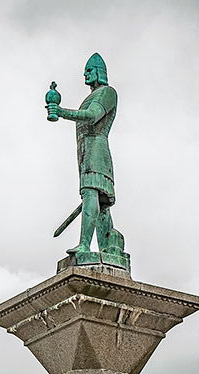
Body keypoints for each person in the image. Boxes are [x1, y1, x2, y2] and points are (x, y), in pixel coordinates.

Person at [48, 53, 124, 260]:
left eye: (89, 71)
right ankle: (108, 247)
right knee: (100, 205)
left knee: (91, 193)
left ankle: (84, 245)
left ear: (99, 72)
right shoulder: (90, 96)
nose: (85, 75)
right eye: (84, 72)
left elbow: (92, 116)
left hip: (97, 151)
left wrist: (62, 112)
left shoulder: (107, 93)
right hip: (85, 152)